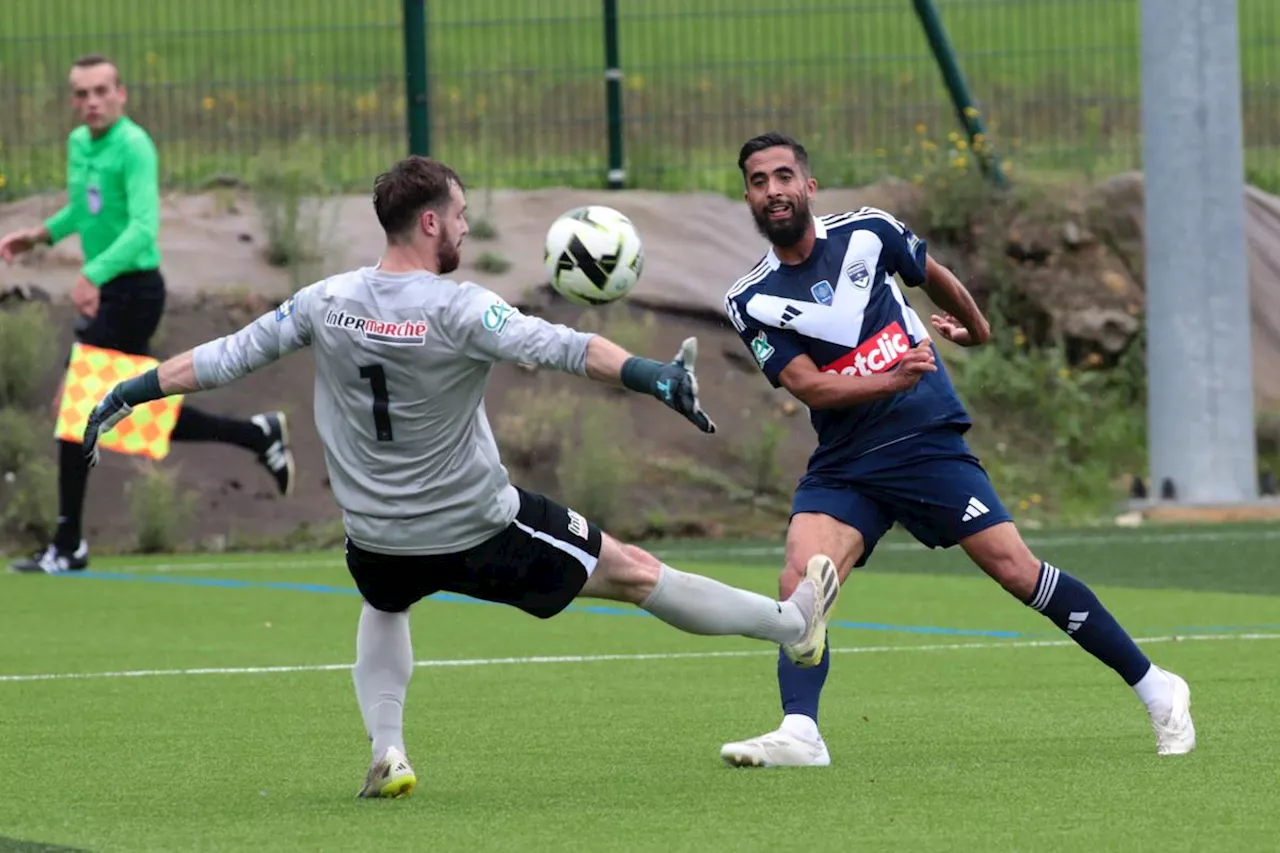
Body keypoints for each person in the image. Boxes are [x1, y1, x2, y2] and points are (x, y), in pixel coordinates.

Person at [79, 155, 843, 798]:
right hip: (480, 525)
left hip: (375, 532)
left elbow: (223, 357)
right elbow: (566, 347)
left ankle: (388, 749)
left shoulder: (325, 301)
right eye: (463, 214)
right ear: (433, 223)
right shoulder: (462, 309)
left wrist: (128, 388)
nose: (470, 227)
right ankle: (790, 625)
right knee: (634, 572)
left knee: (384, 600)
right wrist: (653, 376)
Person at [718, 131, 1195, 767]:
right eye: (758, 181)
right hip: (847, 462)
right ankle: (801, 731)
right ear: (748, 197)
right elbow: (807, 385)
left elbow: (934, 276)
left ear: (808, 185)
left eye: (783, 177)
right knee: (801, 581)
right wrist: (892, 376)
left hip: (923, 439)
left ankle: (1157, 687)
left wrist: (976, 328)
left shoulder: (869, 232)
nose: (772, 190)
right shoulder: (749, 299)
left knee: (1016, 571)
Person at [1, 54, 295, 574]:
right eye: (81, 93)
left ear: (121, 94)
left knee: (80, 409)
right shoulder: (78, 145)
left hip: (134, 291)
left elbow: (141, 228)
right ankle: (256, 434)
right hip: (112, 289)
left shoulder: (134, 146)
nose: (91, 102)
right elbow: (86, 209)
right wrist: (39, 236)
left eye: (100, 91)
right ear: (72, 100)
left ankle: (69, 546)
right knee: (119, 406)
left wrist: (93, 272)